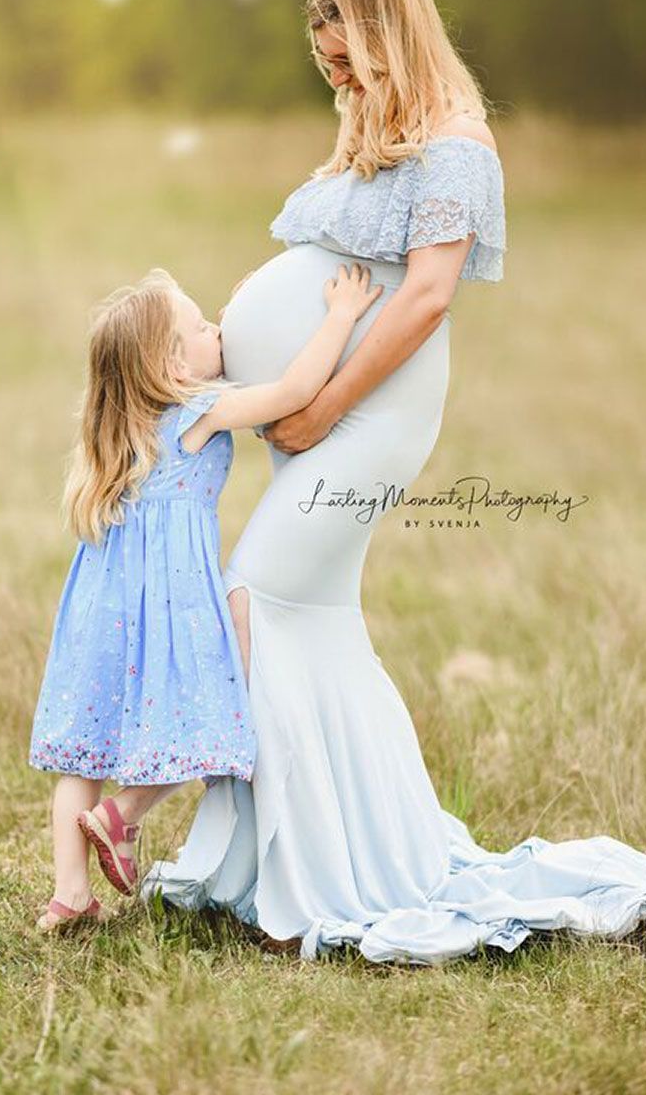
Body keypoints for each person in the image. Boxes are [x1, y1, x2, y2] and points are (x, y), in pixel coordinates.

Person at [141, 0, 646, 963]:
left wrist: (316, 408)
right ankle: (322, 857)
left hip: (367, 417)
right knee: (310, 623)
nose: (342, 82)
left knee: (255, 598)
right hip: (313, 406)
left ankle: (314, 877)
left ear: (387, 35)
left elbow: (424, 297)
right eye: (328, 69)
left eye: (351, 62)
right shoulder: (376, 129)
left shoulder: (457, 144)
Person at [29, 261, 383, 931]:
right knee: (204, 717)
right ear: (172, 363)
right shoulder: (198, 409)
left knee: (85, 748)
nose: (216, 329)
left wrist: (247, 304)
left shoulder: (120, 429)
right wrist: (341, 313)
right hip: (170, 606)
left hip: (100, 608)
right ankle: (123, 814)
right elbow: (295, 389)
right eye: (201, 326)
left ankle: (68, 893)